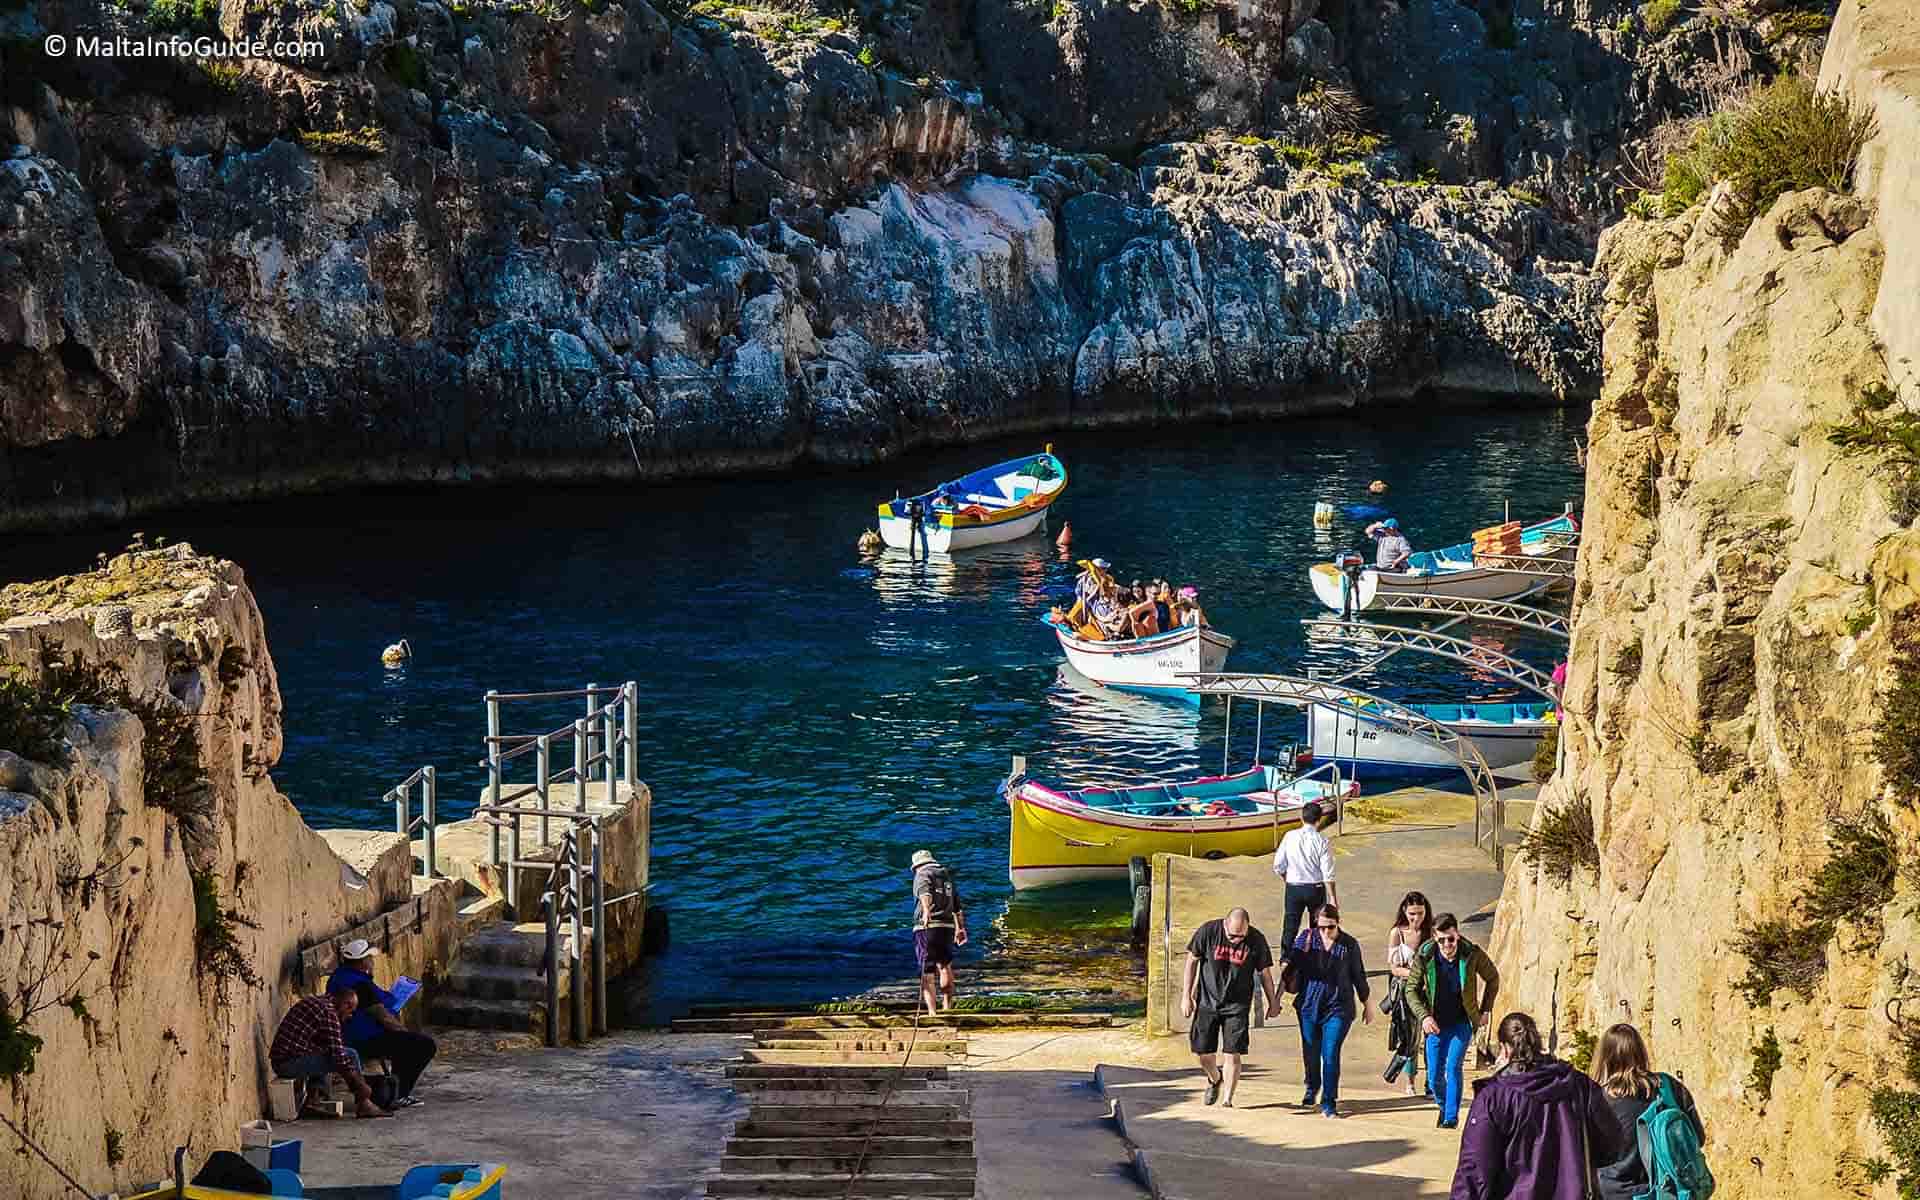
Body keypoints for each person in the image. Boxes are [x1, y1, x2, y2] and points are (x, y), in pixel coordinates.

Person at [1450, 1013, 1627, 1199]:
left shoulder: (1494, 1097)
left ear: (1504, 1049)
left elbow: (1475, 1169)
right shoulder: (1580, 1085)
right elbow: (1612, 1144)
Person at [1591, 1024, 1707, 1200]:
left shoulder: (1596, 1101)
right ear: (1640, 1052)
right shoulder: (1669, 1087)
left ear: (1605, 1058)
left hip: (1613, 1194)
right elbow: (1697, 1138)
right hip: (1667, 1192)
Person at [1407, 912, 1501, 1129]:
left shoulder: (1472, 954)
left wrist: (1486, 1009)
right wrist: (1424, 1016)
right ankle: (1443, 1105)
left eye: (1451, 938)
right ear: (1434, 937)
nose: (1447, 944)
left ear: (1457, 934)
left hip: (1462, 1022)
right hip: (1436, 1024)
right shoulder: (1425, 955)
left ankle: (1451, 1117)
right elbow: (1410, 989)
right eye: (1442, 940)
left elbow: (1493, 978)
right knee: (1434, 1076)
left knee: (1453, 1067)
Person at [1182, 906, 1276, 1109]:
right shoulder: (1208, 931)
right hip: (1208, 1001)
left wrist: (1273, 1001)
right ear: (1225, 925)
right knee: (1203, 1054)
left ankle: (1227, 1100)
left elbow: (1265, 974)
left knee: (1232, 1053)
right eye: (1232, 936)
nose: (1236, 941)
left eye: (1241, 936)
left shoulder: (1256, 939)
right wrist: (1186, 996)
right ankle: (1215, 1079)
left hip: (1238, 1005)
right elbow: (1191, 961)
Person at [1283, 903, 1371, 1118]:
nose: (1325, 932)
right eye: (1321, 927)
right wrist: (1277, 998)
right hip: (1309, 1005)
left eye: (1330, 927)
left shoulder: (1349, 945)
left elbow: (1358, 975)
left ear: (1337, 923)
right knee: (1311, 1052)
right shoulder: (1306, 939)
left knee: (1330, 1053)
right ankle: (1312, 1087)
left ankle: (1329, 1101)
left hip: (1338, 1006)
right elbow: (1289, 968)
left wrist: (1367, 1004)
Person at [326, 939, 437, 1108]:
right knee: (424, 1045)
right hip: (363, 1039)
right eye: (370, 958)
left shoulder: (340, 976)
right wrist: (404, 1033)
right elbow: (383, 1018)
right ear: (363, 962)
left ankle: (394, 1090)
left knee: (405, 1042)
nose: (372, 962)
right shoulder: (360, 985)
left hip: (349, 1035)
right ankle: (398, 1094)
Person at [269, 991, 393, 1119]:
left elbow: (328, 1047)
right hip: (287, 1064)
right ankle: (364, 1103)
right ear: (346, 1005)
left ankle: (313, 1102)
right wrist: (360, 1085)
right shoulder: (329, 1013)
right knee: (349, 1055)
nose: (349, 1016)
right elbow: (339, 1057)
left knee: (328, 1050)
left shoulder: (319, 1003)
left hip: (282, 1059)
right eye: (350, 1011)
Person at [1385, 891, 1436, 1097]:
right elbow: (1394, 968)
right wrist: (1416, 976)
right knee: (1411, 1038)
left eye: (1421, 914)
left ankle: (1431, 1082)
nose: (1416, 919)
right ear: (1405, 911)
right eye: (1412, 914)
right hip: (1407, 992)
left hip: (1429, 992)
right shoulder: (1397, 933)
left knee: (1431, 1037)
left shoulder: (1432, 932)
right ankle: (1410, 1081)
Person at [1271, 801, 1336, 952]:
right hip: (1316, 888)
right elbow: (1328, 873)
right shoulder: (1322, 841)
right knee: (1317, 926)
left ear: (1302, 818)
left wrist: (1287, 879)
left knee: (1290, 926)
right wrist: (1333, 898)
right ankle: (1316, 957)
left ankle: (1285, 960)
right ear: (1319, 820)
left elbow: (1278, 865)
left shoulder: (1290, 836)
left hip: (1294, 887)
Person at [910, 849, 967, 1016]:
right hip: (947, 926)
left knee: (926, 971)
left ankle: (932, 1013)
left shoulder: (922, 874)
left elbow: (924, 893)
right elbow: (957, 907)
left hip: (927, 926)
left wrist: (926, 911)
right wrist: (960, 928)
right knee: (945, 965)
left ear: (917, 866)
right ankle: (947, 1007)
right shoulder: (947, 876)